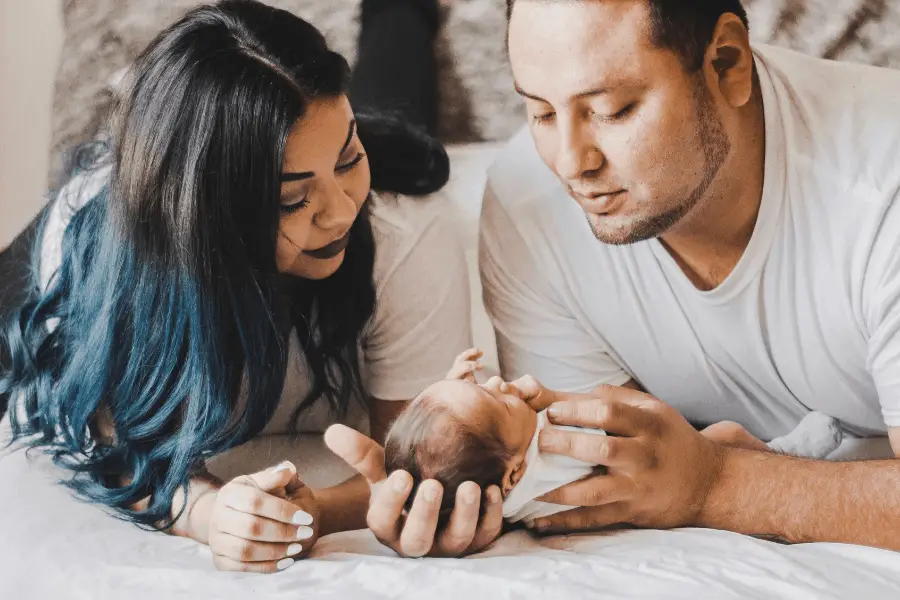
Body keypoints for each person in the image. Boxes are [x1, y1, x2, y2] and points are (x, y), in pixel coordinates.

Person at [0, 0, 499, 573]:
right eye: (291, 200)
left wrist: (318, 513)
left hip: (358, 161)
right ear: (205, 216)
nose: (338, 214)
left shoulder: (401, 227)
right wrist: (207, 512)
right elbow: (114, 448)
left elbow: (412, 460)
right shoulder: (98, 248)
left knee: (401, 129)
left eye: (347, 158)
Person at [474, 0, 900, 550]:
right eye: (541, 113)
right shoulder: (526, 204)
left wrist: (716, 483)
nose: (570, 163)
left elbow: (677, 480)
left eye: (613, 109)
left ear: (726, 63)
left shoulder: (881, 186)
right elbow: (600, 476)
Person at [382, 348, 845, 529]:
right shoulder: (549, 457)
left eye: (480, 383)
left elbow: (445, 453)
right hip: (673, 484)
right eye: (499, 402)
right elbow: (615, 423)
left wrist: (453, 387)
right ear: (516, 471)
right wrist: (547, 401)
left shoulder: (504, 493)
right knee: (728, 435)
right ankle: (787, 454)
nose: (500, 383)